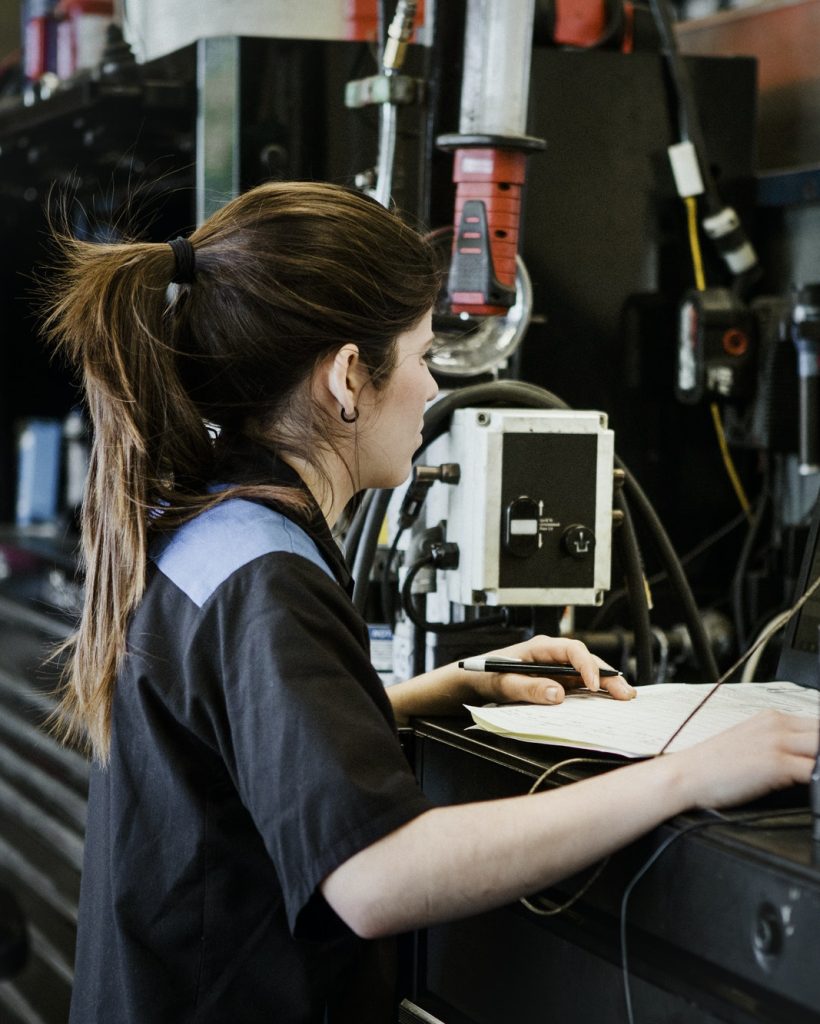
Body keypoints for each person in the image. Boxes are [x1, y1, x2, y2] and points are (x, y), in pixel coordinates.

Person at [44, 181, 818, 1024]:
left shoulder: (211, 528)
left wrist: (426, 693)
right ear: (347, 378)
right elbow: (377, 878)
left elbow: (228, 745)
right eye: (420, 355)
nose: (433, 385)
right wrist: (686, 776)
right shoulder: (268, 576)